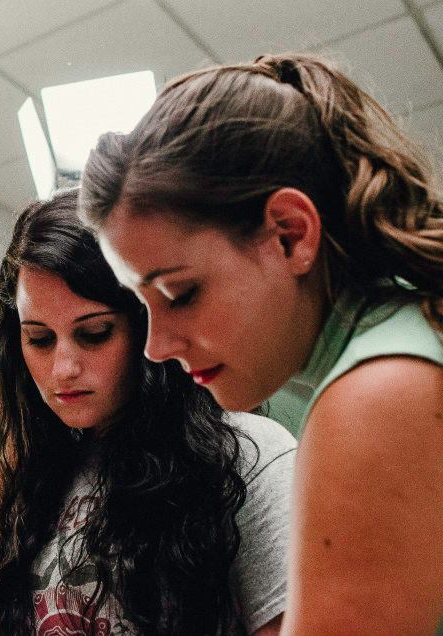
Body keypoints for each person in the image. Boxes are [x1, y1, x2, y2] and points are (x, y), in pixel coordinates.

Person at [79, 52, 443, 635]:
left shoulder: (376, 393)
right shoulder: (416, 328)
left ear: (289, 234)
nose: (156, 347)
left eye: (179, 292)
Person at [0, 189, 296, 635]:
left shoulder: (251, 457)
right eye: (39, 339)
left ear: (146, 326)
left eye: (94, 333)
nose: (63, 369)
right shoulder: (7, 495)